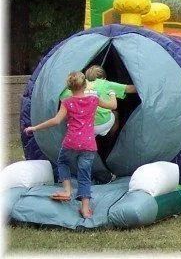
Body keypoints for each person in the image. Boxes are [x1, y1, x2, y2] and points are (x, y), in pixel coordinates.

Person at [25, 71, 117, 219]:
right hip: (88, 144)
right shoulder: (94, 99)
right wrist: (112, 92)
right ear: (85, 85)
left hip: (71, 141)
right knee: (84, 175)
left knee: (62, 162)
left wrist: (34, 128)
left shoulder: (67, 102)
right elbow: (113, 105)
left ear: (69, 87)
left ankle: (67, 191)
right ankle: (85, 209)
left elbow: (56, 121)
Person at [59, 65, 135, 137]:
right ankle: (111, 137)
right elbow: (129, 89)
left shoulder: (68, 91)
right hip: (103, 123)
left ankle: (92, 135)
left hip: (83, 126)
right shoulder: (105, 84)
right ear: (103, 78)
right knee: (115, 114)